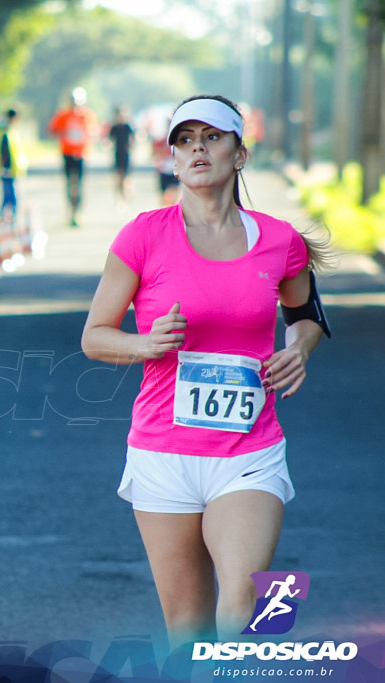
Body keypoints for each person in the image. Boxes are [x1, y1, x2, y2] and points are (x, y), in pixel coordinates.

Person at [81, 94, 330, 651]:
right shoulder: (144, 236)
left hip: (248, 451)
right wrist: (146, 345)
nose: (197, 148)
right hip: (162, 454)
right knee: (188, 631)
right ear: (171, 159)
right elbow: (94, 336)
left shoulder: (278, 241)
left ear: (239, 154)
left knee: (241, 602)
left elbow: (306, 315)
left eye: (212, 137)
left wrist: (299, 350)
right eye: (185, 140)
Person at [48, 87, 97, 227]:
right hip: (67, 153)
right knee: (70, 183)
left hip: (81, 154)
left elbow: (93, 131)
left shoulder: (87, 115)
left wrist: (88, 132)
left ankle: (78, 212)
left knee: (79, 184)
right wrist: (64, 132)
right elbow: (52, 130)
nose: (75, 104)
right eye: (73, 101)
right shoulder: (63, 115)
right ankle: (70, 210)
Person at [0, 108, 26, 223]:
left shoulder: (10, 131)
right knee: (11, 198)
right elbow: (4, 152)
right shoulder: (6, 133)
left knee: (8, 197)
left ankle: (6, 219)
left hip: (10, 170)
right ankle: (8, 220)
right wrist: (5, 168)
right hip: (7, 170)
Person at [108, 105, 135, 203]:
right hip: (117, 153)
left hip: (126, 154)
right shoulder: (114, 127)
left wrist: (131, 146)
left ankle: (126, 193)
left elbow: (133, 138)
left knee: (126, 176)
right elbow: (110, 139)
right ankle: (120, 195)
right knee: (119, 175)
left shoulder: (127, 127)